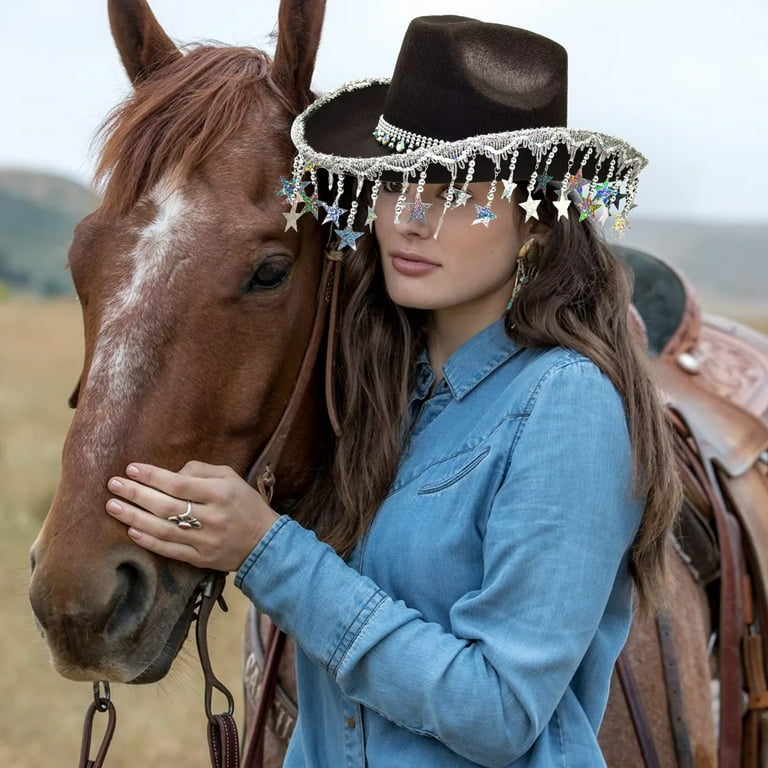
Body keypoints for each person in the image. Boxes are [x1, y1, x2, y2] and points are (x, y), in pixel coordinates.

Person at [104, 16, 682, 768]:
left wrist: (268, 552)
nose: (410, 217)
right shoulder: (378, 394)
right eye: (396, 183)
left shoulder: (567, 406)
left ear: (535, 226)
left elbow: (500, 713)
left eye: (456, 191)